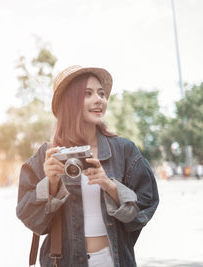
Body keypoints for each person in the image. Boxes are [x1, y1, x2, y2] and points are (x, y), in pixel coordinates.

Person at [16, 65, 159, 267]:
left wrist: (109, 186)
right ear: (70, 102)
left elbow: (146, 204)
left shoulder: (123, 150)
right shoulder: (47, 155)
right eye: (88, 93)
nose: (99, 99)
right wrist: (51, 183)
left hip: (113, 260)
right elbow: (29, 218)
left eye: (101, 94)